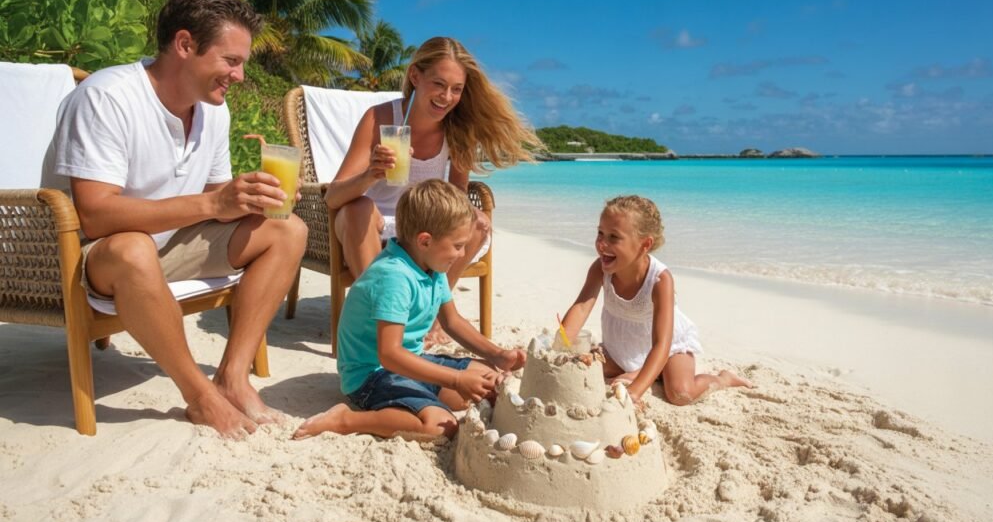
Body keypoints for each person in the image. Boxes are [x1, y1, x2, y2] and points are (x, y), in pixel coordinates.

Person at [47, 0, 308, 439]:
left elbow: (213, 202)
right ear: (185, 45)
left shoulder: (213, 111)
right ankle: (201, 397)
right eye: (231, 60)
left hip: (168, 246)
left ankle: (232, 377)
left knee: (287, 230)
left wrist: (248, 197)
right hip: (92, 256)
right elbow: (94, 216)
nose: (241, 75)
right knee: (132, 249)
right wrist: (213, 203)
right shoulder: (106, 97)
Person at [324, 36, 542, 345]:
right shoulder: (381, 118)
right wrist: (371, 175)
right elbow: (333, 197)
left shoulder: (459, 129)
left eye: (457, 89)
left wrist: (471, 210)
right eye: (439, 84)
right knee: (357, 208)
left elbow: (456, 195)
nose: (447, 97)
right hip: (371, 225)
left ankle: (433, 313)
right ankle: (379, 311)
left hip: (421, 228)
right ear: (415, 76)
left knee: (476, 226)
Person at [293, 179, 525, 440]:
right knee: (442, 426)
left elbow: (452, 321)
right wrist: (456, 380)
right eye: (458, 246)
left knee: (490, 381)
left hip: (411, 363)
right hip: (371, 375)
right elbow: (389, 355)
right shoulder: (394, 277)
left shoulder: (431, 266)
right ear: (425, 241)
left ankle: (425, 397)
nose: (461, 255)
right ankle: (347, 419)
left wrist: (498, 354)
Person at [559, 195, 751, 407]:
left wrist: (634, 393)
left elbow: (662, 344)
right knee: (579, 366)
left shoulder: (660, 280)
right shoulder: (599, 269)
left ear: (645, 244)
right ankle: (644, 372)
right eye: (600, 233)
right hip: (621, 346)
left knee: (680, 394)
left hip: (668, 349)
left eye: (614, 237)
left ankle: (723, 378)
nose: (602, 244)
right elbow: (582, 306)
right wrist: (558, 348)